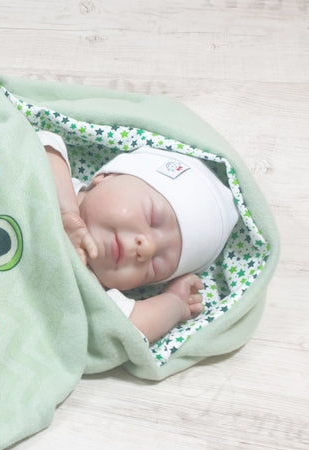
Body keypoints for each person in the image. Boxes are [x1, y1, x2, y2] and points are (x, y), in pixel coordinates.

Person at [40, 131, 239, 343]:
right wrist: (66, 210)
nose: (147, 248)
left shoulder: (92, 295)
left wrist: (175, 303)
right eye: (151, 217)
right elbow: (37, 141)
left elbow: (126, 330)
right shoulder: (52, 167)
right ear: (107, 176)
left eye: (155, 266)